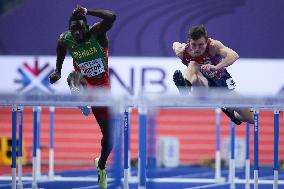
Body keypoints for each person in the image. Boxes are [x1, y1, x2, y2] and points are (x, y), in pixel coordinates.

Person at [49, 5, 116, 189]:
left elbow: (111, 16)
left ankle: (101, 165)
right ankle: (80, 99)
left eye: (80, 28)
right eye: (73, 30)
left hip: (102, 91)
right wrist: (58, 71)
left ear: (87, 26)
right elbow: (60, 47)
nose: (77, 33)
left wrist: (87, 11)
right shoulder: (66, 38)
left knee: (110, 138)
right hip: (83, 82)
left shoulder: (97, 34)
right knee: (75, 77)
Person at [172, 25, 254, 125]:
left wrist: (216, 67)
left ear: (207, 42)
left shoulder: (213, 46)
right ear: (189, 42)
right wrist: (179, 45)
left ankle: (232, 113)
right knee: (193, 64)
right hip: (202, 85)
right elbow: (175, 44)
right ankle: (185, 87)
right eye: (194, 45)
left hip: (221, 80)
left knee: (250, 118)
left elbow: (234, 55)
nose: (197, 49)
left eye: (201, 44)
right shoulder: (182, 51)